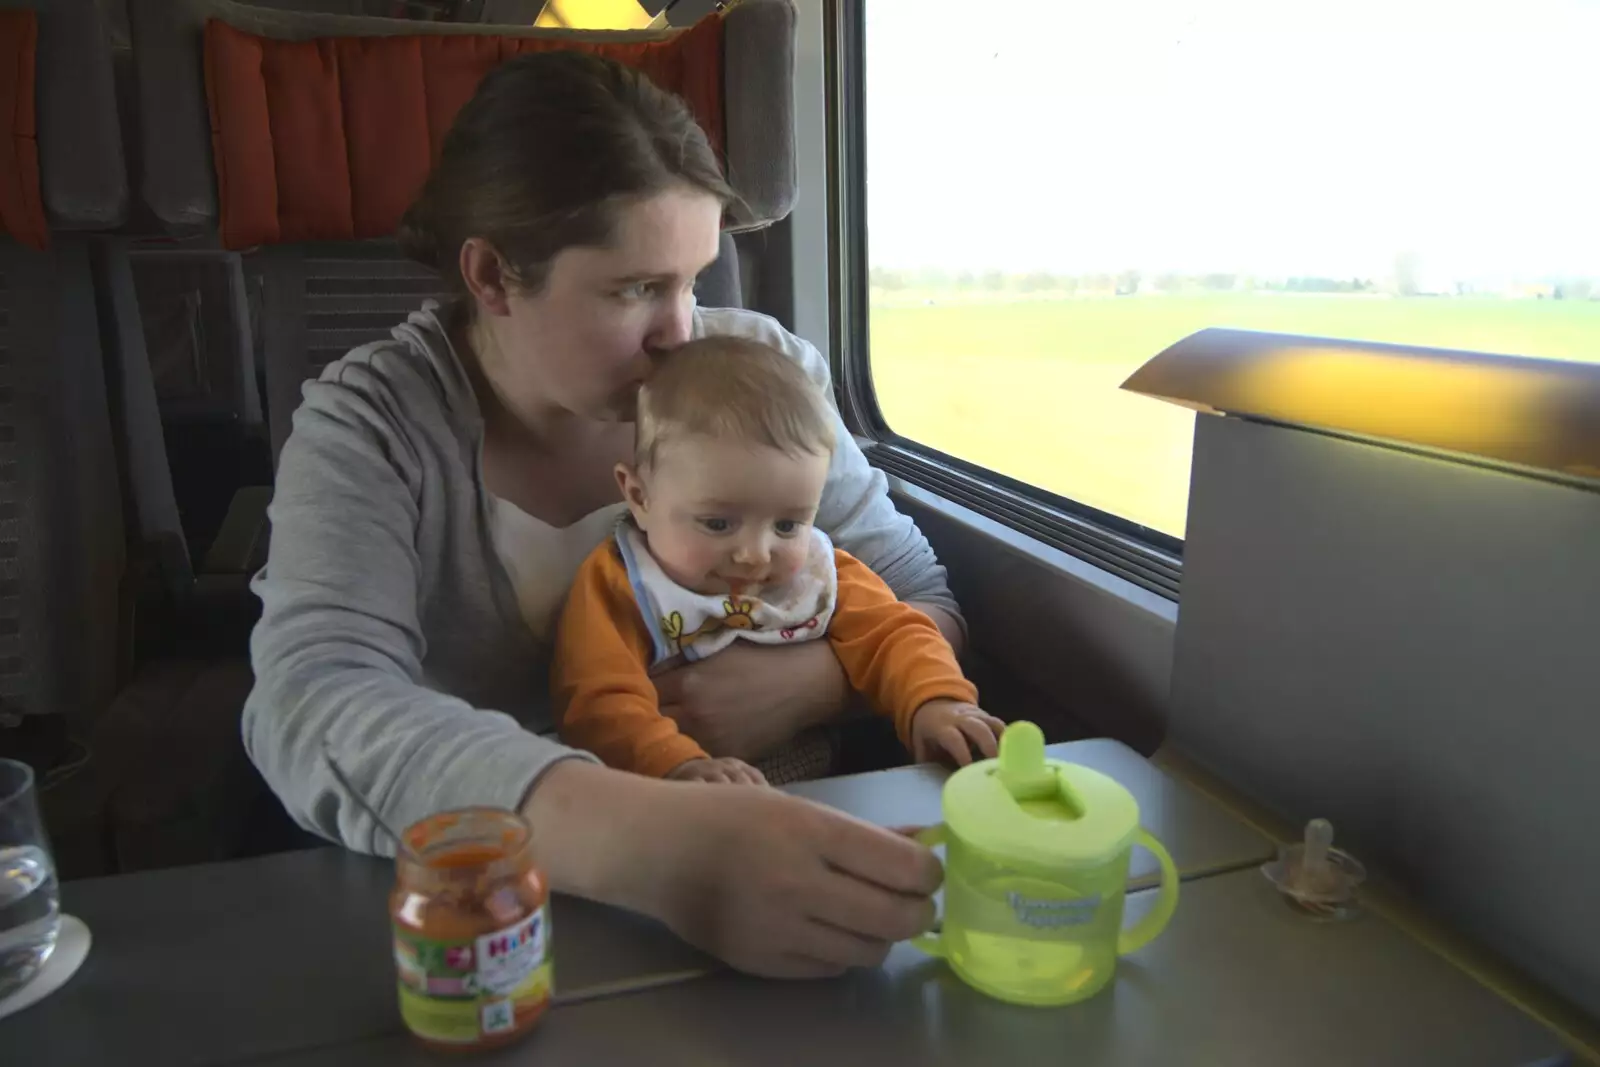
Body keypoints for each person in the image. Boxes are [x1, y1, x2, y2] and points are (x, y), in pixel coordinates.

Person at [242, 51, 966, 979]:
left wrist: (818, 683)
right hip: (495, 911)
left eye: (694, 279)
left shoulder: (762, 369)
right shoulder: (374, 424)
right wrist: (660, 845)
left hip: (765, 864)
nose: (683, 332)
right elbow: (313, 701)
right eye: (635, 290)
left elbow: (920, 596)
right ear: (494, 277)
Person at [552, 336, 1004, 786]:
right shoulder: (623, 586)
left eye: (787, 526)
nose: (755, 554)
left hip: (823, 788)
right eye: (717, 524)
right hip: (673, 801)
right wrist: (678, 763)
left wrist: (936, 702)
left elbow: (896, 635)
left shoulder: (820, 575)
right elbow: (597, 700)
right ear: (639, 497)